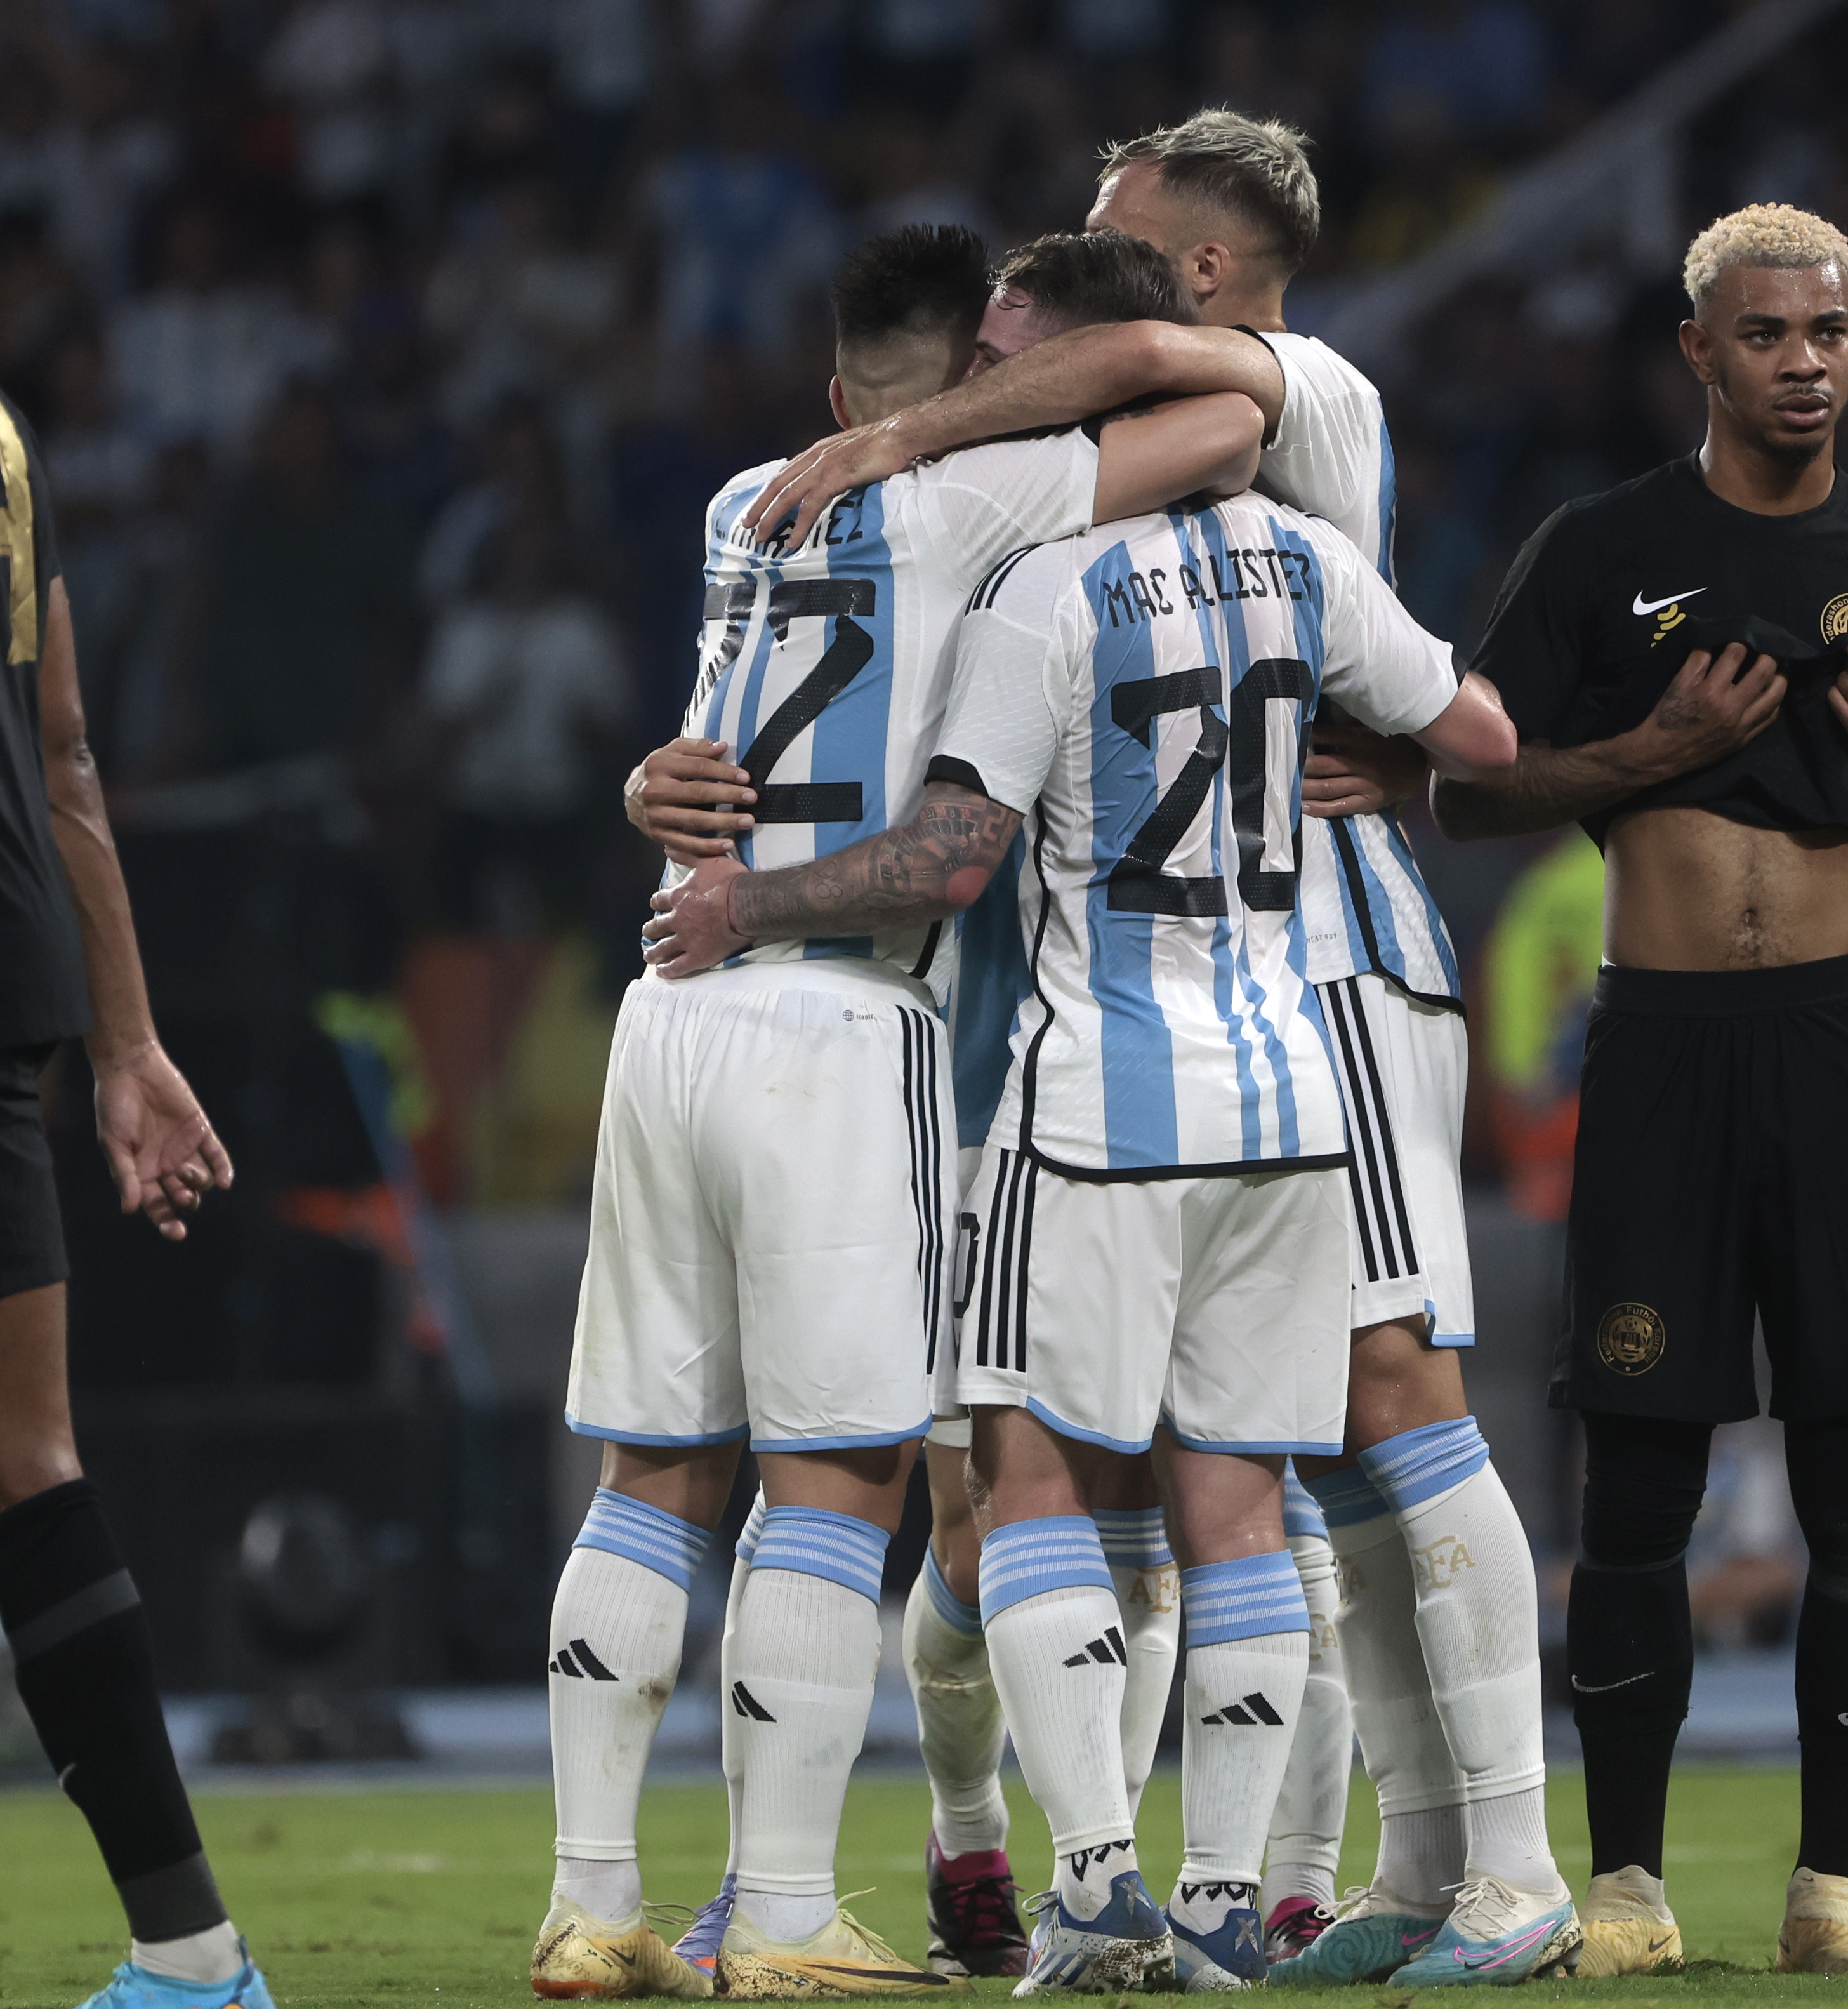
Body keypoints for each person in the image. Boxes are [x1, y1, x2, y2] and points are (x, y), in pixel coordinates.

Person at [734, 109, 1577, 1989]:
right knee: (1269, 1457)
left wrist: (891, 432)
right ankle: (1361, 1869)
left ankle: (1500, 1859)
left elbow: (1128, 378)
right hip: (1239, 988)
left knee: (1380, 1402)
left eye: (1108, 246)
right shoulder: (1169, 530)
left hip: (1316, 969)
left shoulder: (1284, 394)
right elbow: (1469, 715)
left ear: (1199, 277)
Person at [641, 485, 1519, 1996]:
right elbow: (1485, 733)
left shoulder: (1033, 568)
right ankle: (1048, 1850)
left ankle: (1144, 1888)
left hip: (1074, 1084)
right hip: (1234, 1082)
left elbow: (951, 849)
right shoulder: (1263, 552)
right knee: (1120, 1514)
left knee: (1082, 1497)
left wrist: (742, 894)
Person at [536, 224, 1266, 2001]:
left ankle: (587, 1904)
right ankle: (780, 1913)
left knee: (650, 1465)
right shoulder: (990, 491)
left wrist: (651, 769)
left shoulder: (737, 504)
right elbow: (1233, 401)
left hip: (673, 998)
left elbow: (720, 734)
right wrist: (950, 432)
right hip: (840, 1014)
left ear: (835, 382)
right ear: (967, 393)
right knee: (834, 1474)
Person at [1432, 202, 1848, 1979]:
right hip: (1665, 1042)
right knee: (1638, 1477)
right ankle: (1625, 1881)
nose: (1804, 363)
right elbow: (1469, 786)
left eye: (1829, 333)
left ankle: (1831, 1887)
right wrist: (1658, 753)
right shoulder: (1603, 550)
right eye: (1766, 335)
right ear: (1697, 351)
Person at [0, 335, 261, 2009]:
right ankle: (195, 1955)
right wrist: (124, 1040)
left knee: (16, 1463)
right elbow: (62, 743)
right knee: (17, 1464)